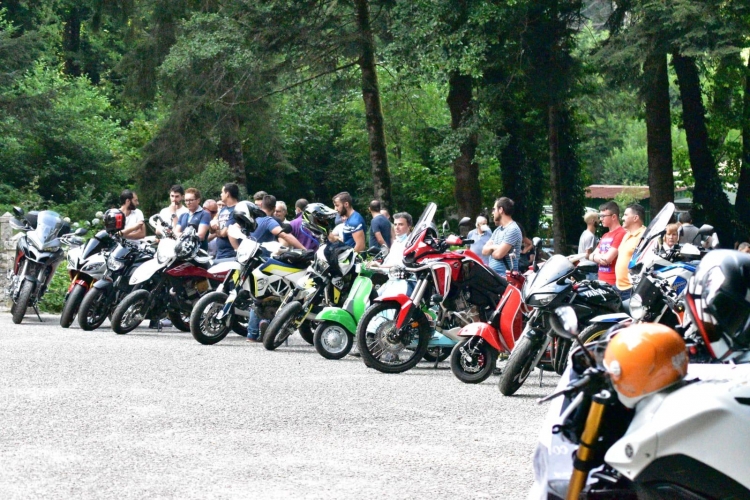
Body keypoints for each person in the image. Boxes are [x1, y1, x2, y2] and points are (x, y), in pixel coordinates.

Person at [246, 195, 306, 342]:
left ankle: (252, 333)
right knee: (267, 295)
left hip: (248, 260)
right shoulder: (269, 221)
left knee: (257, 296)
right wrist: (303, 249)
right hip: (265, 263)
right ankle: (266, 327)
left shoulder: (254, 220)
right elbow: (283, 236)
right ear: (273, 209)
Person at [482, 197, 523, 276]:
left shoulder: (513, 229)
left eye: (494, 209)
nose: (492, 213)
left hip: (505, 279)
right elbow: (484, 251)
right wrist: (495, 247)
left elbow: (498, 255)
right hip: (494, 277)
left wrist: (492, 249)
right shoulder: (497, 230)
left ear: (501, 210)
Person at [614, 203, 646, 301]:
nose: (622, 218)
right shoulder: (626, 234)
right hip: (618, 286)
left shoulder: (644, 236)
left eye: (626, 215)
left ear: (635, 218)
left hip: (631, 289)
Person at [590, 201, 626, 286]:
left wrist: (596, 257)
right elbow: (591, 256)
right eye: (600, 216)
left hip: (614, 283)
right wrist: (598, 257)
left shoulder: (621, 233)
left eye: (603, 216)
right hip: (601, 280)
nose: (601, 219)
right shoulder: (605, 235)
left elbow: (607, 259)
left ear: (614, 217)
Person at [211, 183, 240, 262]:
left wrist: (216, 231)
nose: (221, 194)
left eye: (222, 192)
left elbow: (224, 233)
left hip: (230, 253)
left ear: (227, 194)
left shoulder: (237, 210)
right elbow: (213, 228)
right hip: (219, 252)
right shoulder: (224, 209)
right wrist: (214, 221)